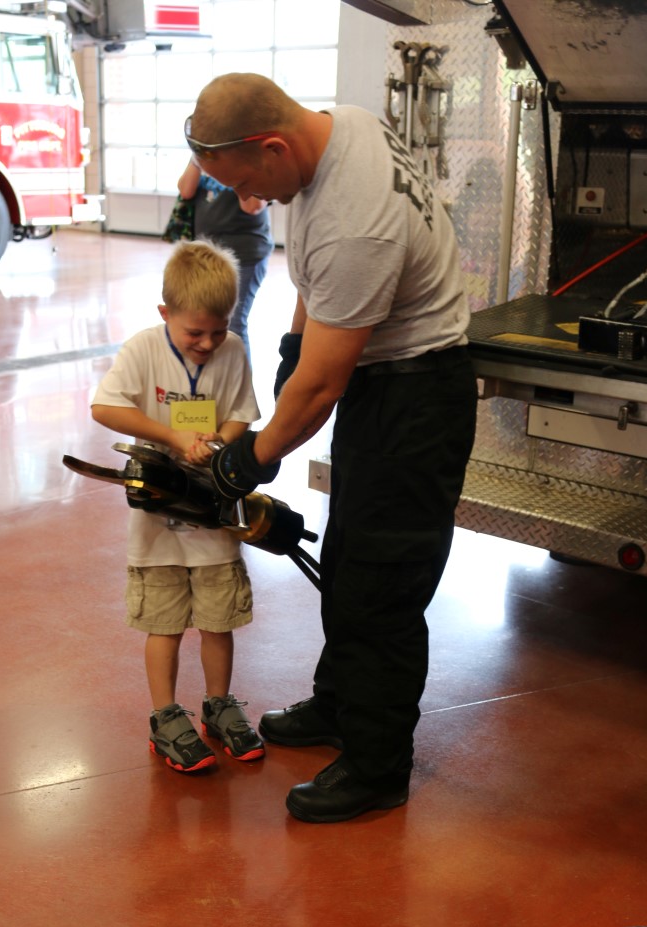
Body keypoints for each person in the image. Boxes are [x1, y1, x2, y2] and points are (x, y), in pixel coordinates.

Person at [186, 73, 478, 823]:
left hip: (417, 400)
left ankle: (378, 767)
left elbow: (319, 391)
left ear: (273, 147)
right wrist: (291, 347)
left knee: (382, 584)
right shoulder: (340, 127)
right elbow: (316, 280)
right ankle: (341, 703)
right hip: (384, 386)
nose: (248, 200)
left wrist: (248, 459)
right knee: (347, 558)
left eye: (246, 182)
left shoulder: (358, 221)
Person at [91, 239, 264, 773]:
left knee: (218, 620)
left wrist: (220, 440)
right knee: (163, 623)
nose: (208, 343)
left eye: (219, 330)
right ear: (165, 313)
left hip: (213, 514)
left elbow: (243, 413)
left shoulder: (233, 350)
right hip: (157, 519)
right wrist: (171, 436)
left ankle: (219, 705)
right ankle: (165, 716)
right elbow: (104, 407)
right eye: (195, 333)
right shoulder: (143, 349)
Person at [177, 157, 274, 369]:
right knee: (206, 319)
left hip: (244, 255)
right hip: (208, 255)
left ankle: (240, 383)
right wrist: (197, 157)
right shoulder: (204, 158)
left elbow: (253, 206)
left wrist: (233, 164)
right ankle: (213, 376)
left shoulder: (250, 160)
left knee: (233, 323)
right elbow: (185, 191)